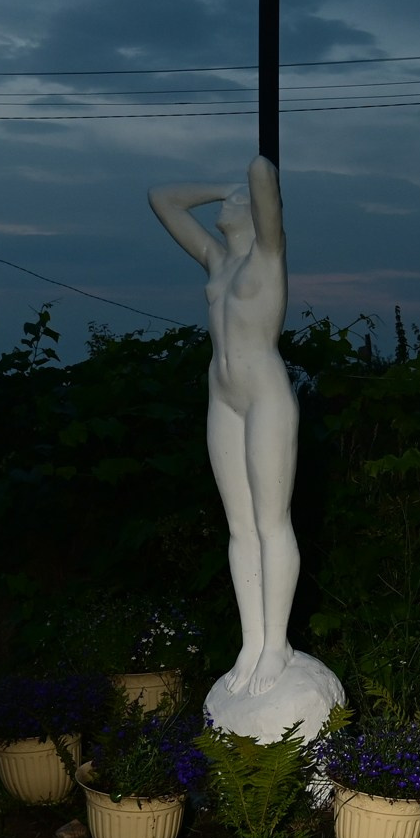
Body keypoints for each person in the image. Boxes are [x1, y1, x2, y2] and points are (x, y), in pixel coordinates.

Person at [148, 156, 300, 698]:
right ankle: (252, 641)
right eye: (224, 199)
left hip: (264, 395)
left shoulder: (268, 253)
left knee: (270, 521)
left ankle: (277, 644)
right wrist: (220, 187)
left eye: (235, 201)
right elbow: (162, 196)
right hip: (223, 396)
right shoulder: (216, 261)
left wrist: (249, 181)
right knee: (239, 528)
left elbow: (263, 179)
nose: (226, 204)